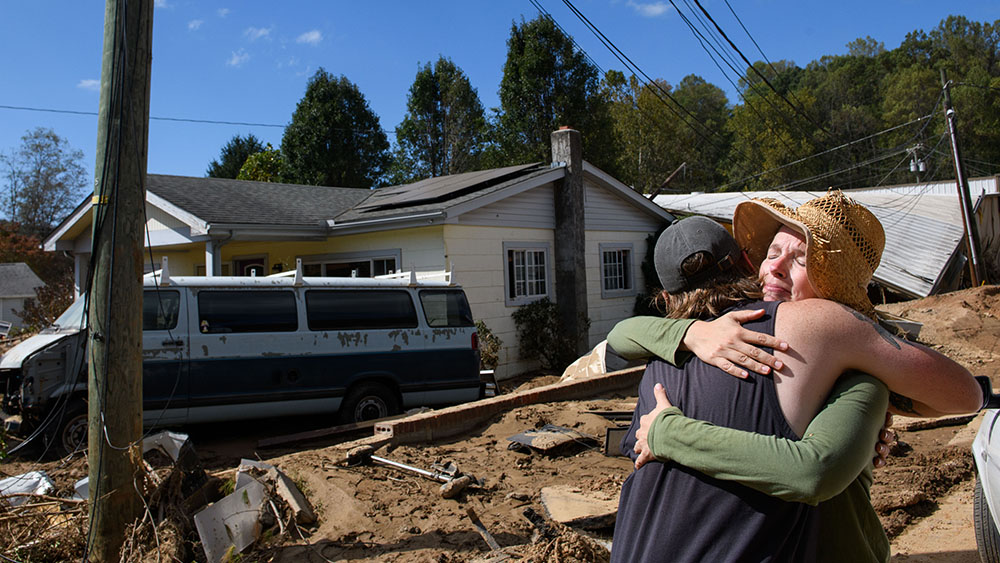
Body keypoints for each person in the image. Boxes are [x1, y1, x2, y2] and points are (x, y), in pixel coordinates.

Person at [609, 193, 982, 562]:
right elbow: (620, 336)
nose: (775, 267)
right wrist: (691, 334)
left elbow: (963, 396)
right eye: (772, 253)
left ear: (834, 285)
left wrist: (670, 432)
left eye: (801, 259)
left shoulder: (849, 354)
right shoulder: (722, 334)